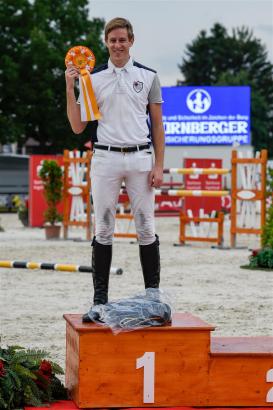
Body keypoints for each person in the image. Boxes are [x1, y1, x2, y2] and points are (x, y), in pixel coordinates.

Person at [65, 17, 165, 322]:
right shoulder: (91, 79)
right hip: (106, 159)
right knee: (103, 228)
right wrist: (70, 86)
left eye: (123, 40)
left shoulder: (148, 76)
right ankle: (99, 301)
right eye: (113, 40)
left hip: (140, 158)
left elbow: (158, 125)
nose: (118, 45)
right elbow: (78, 125)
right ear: (106, 43)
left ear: (131, 41)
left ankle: (153, 297)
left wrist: (159, 164)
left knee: (146, 226)